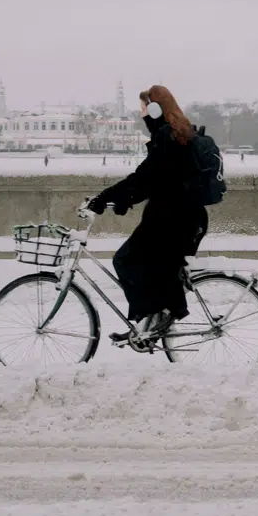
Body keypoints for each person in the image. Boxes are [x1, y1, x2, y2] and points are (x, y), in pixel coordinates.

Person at [87, 86, 208, 341]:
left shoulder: (167, 137)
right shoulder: (175, 134)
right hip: (178, 217)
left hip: (174, 221)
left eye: (143, 108)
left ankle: (154, 321)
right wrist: (121, 198)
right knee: (146, 266)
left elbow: (144, 178)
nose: (140, 114)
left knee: (125, 260)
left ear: (154, 109)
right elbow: (152, 180)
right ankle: (151, 323)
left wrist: (108, 197)